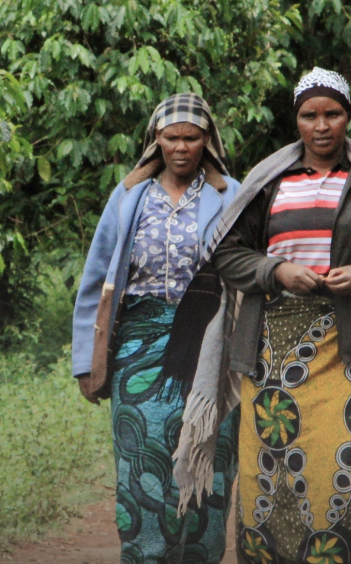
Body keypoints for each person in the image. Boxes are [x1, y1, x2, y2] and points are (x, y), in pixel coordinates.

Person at [169, 67, 351, 564]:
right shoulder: (268, 181)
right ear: (296, 120)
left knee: (345, 479)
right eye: (310, 116)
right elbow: (229, 256)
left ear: (348, 116)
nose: (321, 126)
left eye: (333, 114)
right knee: (269, 482)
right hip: (269, 351)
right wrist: (276, 271)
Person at [72, 93, 241, 564]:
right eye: (172, 138)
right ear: (156, 140)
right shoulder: (129, 197)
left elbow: (249, 273)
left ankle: (200, 555)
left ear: (207, 141)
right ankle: (145, 555)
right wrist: (86, 360)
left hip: (211, 346)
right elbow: (96, 281)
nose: (182, 147)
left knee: (209, 458)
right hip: (136, 347)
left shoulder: (231, 194)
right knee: (138, 460)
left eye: (192, 137)